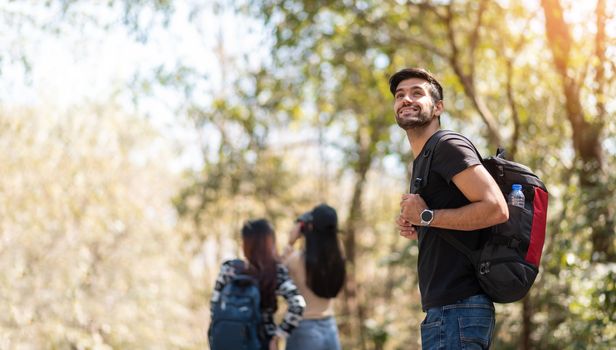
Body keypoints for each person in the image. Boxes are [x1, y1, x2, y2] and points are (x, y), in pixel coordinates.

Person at [390, 67, 509, 349]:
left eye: (417, 93)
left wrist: (427, 216)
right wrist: (420, 228)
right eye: (399, 95)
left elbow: (496, 208)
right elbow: (455, 228)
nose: (406, 99)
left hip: (458, 309)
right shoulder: (423, 158)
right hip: (448, 312)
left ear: (438, 107)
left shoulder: (447, 146)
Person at [210, 219, 306, 350]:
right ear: (270, 242)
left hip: (231, 341)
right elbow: (298, 304)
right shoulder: (275, 271)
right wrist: (278, 335)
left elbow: (214, 305)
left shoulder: (229, 268)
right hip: (263, 341)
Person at [282, 204, 346, 350]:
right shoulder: (338, 260)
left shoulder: (295, 260)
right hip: (330, 329)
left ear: (310, 228)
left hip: (303, 330)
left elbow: (277, 273)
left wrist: (290, 242)